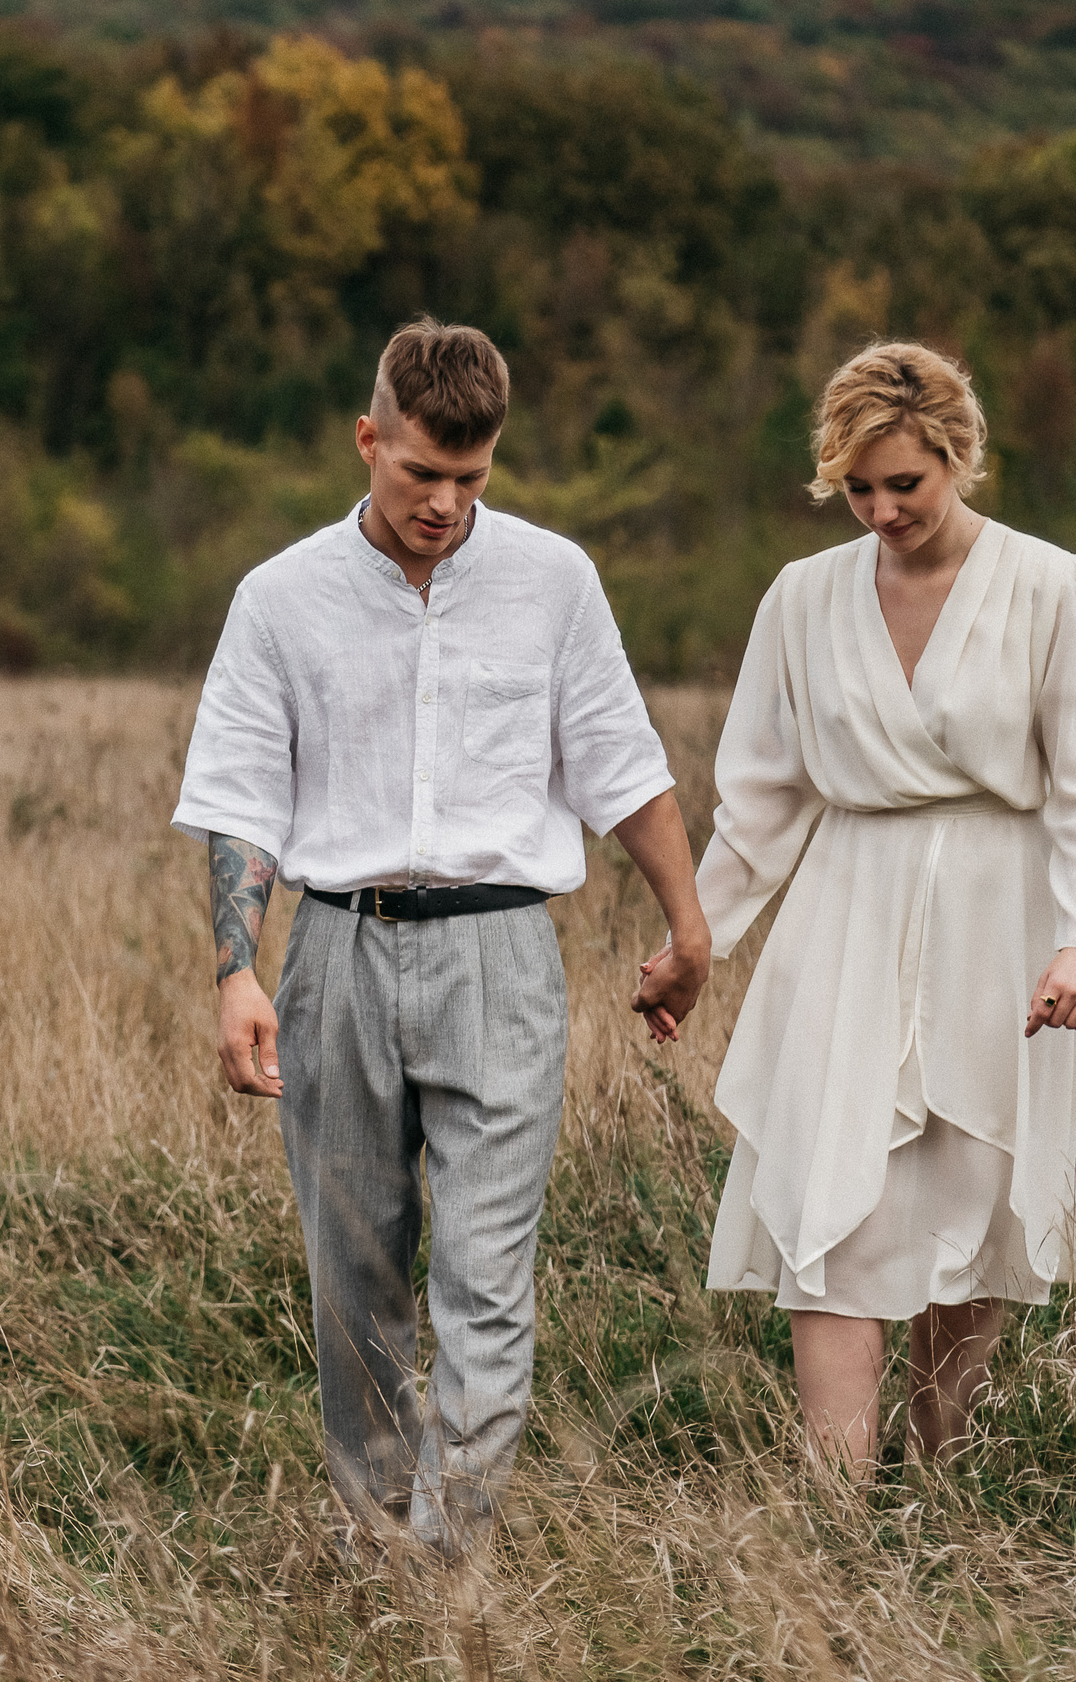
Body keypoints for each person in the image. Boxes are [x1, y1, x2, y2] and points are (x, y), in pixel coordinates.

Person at [174, 317, 712, 1556]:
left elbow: (622, 767)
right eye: (420, 472)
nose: (445, 503)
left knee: (485, 1277)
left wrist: (689, 930)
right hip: (336, 955)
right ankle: (373, 1542)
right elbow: (243, 800)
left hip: (501, 954)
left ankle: (447, 1558)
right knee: (352, 1273)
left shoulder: (553, 579)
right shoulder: (280, 597)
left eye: (471, 478)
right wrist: (235, 968)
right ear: (369, 441)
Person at [681, 342, 1076, 1476]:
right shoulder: (798, 597)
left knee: (975, 1199)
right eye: (858, 489)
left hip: (1004, 918)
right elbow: (763, 795)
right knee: (837, 1193)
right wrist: (698, 936)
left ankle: (932, 1472)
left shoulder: (1049, 585)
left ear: (958, 457)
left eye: (904, 486)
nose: (880, 510)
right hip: (848, 911)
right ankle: (833, 1507)